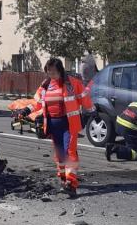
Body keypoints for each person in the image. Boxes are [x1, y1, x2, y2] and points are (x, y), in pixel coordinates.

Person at [16, 57, 93, 197]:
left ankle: (71, 183)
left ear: (60, 71)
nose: (51, 75)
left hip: (69, 124)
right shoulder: (45, 85)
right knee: (60, 154)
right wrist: (26, 110)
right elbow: (37, 102)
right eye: (49, 72)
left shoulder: (71, 83)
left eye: (53, 72)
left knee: (70, 152)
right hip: (52, 124)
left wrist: (92, 111)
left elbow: (84, 97)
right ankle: (63, 179)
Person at [106, 83, 137, 161]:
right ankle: (114, 149)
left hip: (119, 123)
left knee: (133, 143)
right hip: (129, 127)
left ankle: (121, 147)